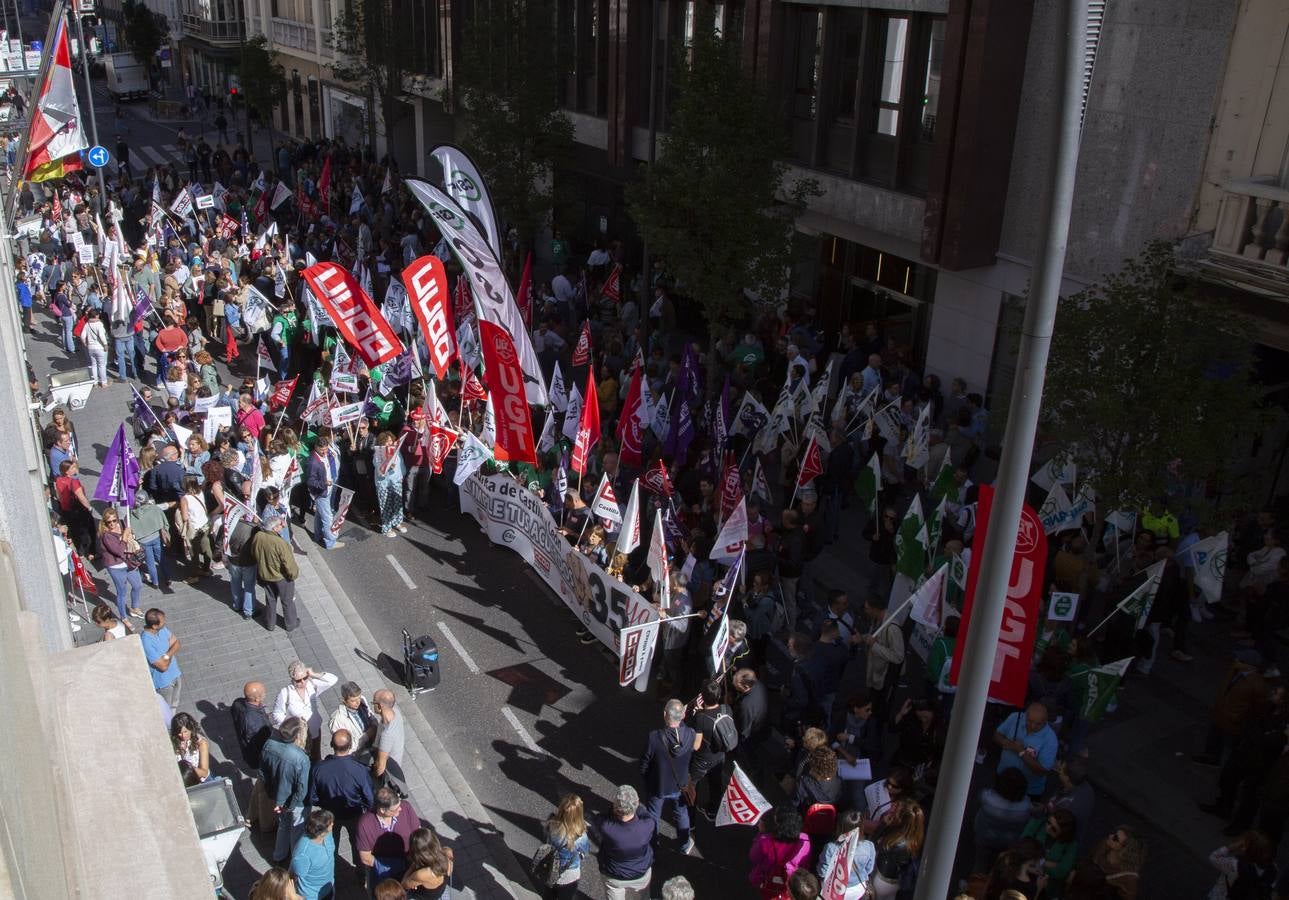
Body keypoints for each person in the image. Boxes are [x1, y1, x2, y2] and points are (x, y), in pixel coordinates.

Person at [308, 728, 374, 871]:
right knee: (358, 844)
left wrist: (323, 803)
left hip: (329, 815)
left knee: (330, 844)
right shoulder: (359, 770)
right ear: (350, 746)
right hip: (354, 814)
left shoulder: (319, 769)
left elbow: (312, 797)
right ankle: (361, 872)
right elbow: (369, 798)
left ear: (332, 744)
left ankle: (332, 870)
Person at [640, 698, 699, 855]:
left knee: (653, 815)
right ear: (683, 716)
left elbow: (645, 762)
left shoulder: (654, 737)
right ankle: (684, 843)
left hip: (658, 785)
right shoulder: (691, 734)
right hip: (680, 784)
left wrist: (646, 777)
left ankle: (653, 844)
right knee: (681, 813)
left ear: (665, 714)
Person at [590, 784, 656, 900]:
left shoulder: (607, 827)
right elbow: (645, 814)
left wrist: (613, 811)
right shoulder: (648, 825)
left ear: (616, 808)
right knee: (644, 896)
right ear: (637, 802)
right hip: (641, 873)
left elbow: (600, 817)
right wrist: (636, 807)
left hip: (614, 875)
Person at [261, 717, 312, 865]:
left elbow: (262, 773)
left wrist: (275, 798)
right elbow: (302, 789)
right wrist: (290, 805)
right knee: (297, 829)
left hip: (278, 797)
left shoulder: (269, 744)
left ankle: (279, 855)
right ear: (298, 736)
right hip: (295, 803)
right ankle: (295, 861)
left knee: (283, 825)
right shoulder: (301, 758)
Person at [688, 679, 736, 820]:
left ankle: (690, 814)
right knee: (716, 784)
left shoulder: (701, 718)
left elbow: (696, 746)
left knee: (692, 785)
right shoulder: (727, 709)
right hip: (720, 757)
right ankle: (713, 811)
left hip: (702, 760)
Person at [272, 660, 339, 760]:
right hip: (298, 735)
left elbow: (333, 679)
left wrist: (314, 674)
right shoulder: (285, 693)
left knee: (316, 756)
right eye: (298, 680)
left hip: (314, 730)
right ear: (292, 679)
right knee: (301, 759)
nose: (303, 682)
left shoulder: (311, 685)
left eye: (305, 678)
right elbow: (277, 714)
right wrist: (292, 724)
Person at [357, 786, 421, 889]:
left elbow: (419, 835)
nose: (400, 809)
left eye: (399, 804)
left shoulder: (406, 807)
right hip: (382, 871)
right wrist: (396, 865)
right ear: (382, 810)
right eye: (395, 809)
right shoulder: (365, 824)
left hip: (409, 864)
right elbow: (365, 858)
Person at [993, 702, 1059, 800]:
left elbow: (1041, 771)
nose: (1032, 726)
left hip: (1028, 791)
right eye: (1029, 721)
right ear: (1025, 715)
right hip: (1003, 780)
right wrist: (1005, 742)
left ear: (1046, 722)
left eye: (1038, 724)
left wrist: (1020, 751)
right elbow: (997, 735)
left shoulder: (1051, 739)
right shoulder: (1015, 717)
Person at [249, 515, 301, 630]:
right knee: (287, 601)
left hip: (265, 575)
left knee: (270, 600)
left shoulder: (258, 536)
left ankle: (270, 623)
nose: (282, 526)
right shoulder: (280, 542)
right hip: (281, 578)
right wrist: (293, 575)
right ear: (274, 528)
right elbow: (289, 563)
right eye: (280, 525)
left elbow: (253, 552)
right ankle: (291, 624)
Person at [748, 806, 811, 899]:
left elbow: (753, 857)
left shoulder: (764, 841)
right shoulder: (805, 840)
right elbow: (805, 864)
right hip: (790, 882)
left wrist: (761, 833)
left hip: (766, 878)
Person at [815, 810, 877, 900]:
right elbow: (869, 870)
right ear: (861, 828)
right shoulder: (869, 846)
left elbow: (822, 872)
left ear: (840, 827)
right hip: (858, 890)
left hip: (835, 891)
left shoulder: (830, 848)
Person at [869, 799, 923, 899]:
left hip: (881, 881)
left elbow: (871, 846)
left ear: (900, 820)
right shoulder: (912, 837)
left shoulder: (894, 843)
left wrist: (883, 825)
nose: (892, 810)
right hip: (892, 882)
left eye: (895, 810)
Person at [98, 509, 145, 621]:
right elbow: (118, 551)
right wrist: (124, 536)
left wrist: (130, 535)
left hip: (129, 562)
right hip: (116, 566)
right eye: (109, 522)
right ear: (105, 522)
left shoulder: (123, 524)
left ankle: (134, 607)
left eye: (114, 520)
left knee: (138, 585)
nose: (112, 524)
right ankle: (124, 617)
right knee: (122, 592)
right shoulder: (106, 536)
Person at [541, 794, 590, 899]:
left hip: (550, 870)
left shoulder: (551, 825)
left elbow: (547, 841)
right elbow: (584, 853)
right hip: (569, 876)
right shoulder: (581, 836)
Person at [1021, 808, 1079, 898]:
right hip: (1024, 877)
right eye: (1048, 822)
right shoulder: (1038, 824)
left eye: (1054, 829)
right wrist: (1048, 863)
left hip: (1048, 887)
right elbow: (1022, 847)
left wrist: (1036, 862)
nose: (1048, 828)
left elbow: (1061, 871)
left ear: (1063, 833)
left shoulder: (1071, 844)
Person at [1207, 830, 1276, 900]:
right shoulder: (1272, 868)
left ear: (1246, 849)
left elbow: (1213, 857)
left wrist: (1233, 846)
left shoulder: (1234, 865)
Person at [141, 607, 183, 712]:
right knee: (166, 710)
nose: (165, 623)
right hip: (164, 683)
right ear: (154, 626)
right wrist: (170, 651)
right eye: (163, 622)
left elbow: (177, 643)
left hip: (175, 674)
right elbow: (163, 667)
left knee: (175, 704)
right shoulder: (146, 641)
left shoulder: (162, 629)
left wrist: (166, 656)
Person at [307, 433, 345, 549]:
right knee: (328, 518)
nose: (325, 452)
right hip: (321, 493)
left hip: (327, 490)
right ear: (316, 448)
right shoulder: (313, 462)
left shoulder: (326, 454)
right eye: (322, 450)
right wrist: (324, 483)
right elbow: (310, 481)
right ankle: (330, 542)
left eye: (326, 449)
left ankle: (318, 536)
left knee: (319, 515)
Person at [1091, 825, 1147, 900]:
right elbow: (1089, 859)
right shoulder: (1104, 845)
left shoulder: (1129, 879)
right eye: (1114, 833)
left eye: (1115, 838)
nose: (1110, 836)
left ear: (1125, 850)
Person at [291, 808, 336, 900]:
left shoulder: (328, 834)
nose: (333, 824)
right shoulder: (303, 853)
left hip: (329, 887)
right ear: (322, 832)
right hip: (312, 896)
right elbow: (294, 875)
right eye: (330, 823)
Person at [401, 826, 454, 898]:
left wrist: (413, 865)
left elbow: (403, 884)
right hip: (440, 891)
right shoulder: (447, 852)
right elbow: (446, 850)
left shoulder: (421, 874)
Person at [372, 689, 407, 793]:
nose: (372, 704)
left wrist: (374, 780)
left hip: (389, 772)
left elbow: (381, 767)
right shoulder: (395, 711)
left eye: (373, 702)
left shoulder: (387, 734)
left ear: (379, 706)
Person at [231, 680, 273, 769]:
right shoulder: (257, 725)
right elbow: (264, 746)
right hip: (257, 757)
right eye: (263, 692)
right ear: (257, 699)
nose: (265, 693)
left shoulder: (237, 702)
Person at [328, 681, 378, 754]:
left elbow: (370, 715)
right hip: (359, 755)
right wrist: (367, 735)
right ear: (344, 700)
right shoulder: (338, 720)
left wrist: (374, 724)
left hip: (373, 745)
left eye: (359, 698)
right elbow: (346, 748)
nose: (358, 702)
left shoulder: (362, 701)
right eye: (353, 701)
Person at [374, 430, 408, 537]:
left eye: (390, 441)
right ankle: (387, 527)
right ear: (382, 443)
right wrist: (388, 467)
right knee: (386, 505)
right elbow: (378, 469)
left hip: (396, 481)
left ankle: (397, 522)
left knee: (397, 503)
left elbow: (401, 464)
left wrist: (402, 476)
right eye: (386, 441)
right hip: (383, 483)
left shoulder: (397, 451)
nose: (389, 443)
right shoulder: (378, 453)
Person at [171, 711, 212, 784]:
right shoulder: (173, 741)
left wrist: (188, 769)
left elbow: (204, 772)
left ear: (191, 728)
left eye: (185, 732)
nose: (183, 736)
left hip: (201, 781)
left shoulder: (201, 743)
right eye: (179, 733)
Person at [82, 308, 110, 386]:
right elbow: (101, 335)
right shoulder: (99, 324)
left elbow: (82, 335)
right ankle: (104, 382)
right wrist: (105, 344)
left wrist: (85, 343)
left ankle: (95, 382)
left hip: (91, 348)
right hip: (99, 347)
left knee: (93, 365)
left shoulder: (87, 324)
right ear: (96, 316)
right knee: (102, 365)